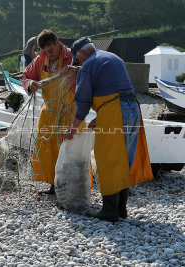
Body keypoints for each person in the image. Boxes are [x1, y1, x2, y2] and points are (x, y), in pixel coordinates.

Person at [63, 37, 153, 222]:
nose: (79, 63)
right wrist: (101, 116)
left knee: (108, 158)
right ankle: (121, 209)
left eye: (77, 60)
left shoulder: (88, 65)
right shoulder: (112, 57)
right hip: (133, 109)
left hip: (116, 111)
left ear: (82, 53)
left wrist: (72, 129)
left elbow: (83, 103)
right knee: (124, 159)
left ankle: (109, 211)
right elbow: (116, 91)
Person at [22, 29, 79, 195]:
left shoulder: (72, 56)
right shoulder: (41, 60)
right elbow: (26, 76)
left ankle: (72, 185)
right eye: (44, 52)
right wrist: (31, 83)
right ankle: (53, 185)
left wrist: (76, 70)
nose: (49, 55)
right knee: (48, 149)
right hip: (48, 113)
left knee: (69, 148)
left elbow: (89, 73)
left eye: (51, 51)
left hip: (70, 111)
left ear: (58, 42)